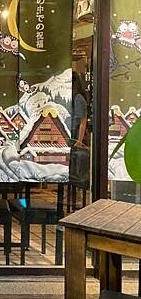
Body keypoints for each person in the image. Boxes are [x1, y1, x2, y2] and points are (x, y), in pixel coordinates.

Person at [69, 72, 90, 208]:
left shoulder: (78, 98)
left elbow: (83, 121)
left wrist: (79, 140)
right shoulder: (74, 98)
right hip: (72, 135)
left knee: (76, 168)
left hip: (75, 136)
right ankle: (73, 196)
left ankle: (76, 197)